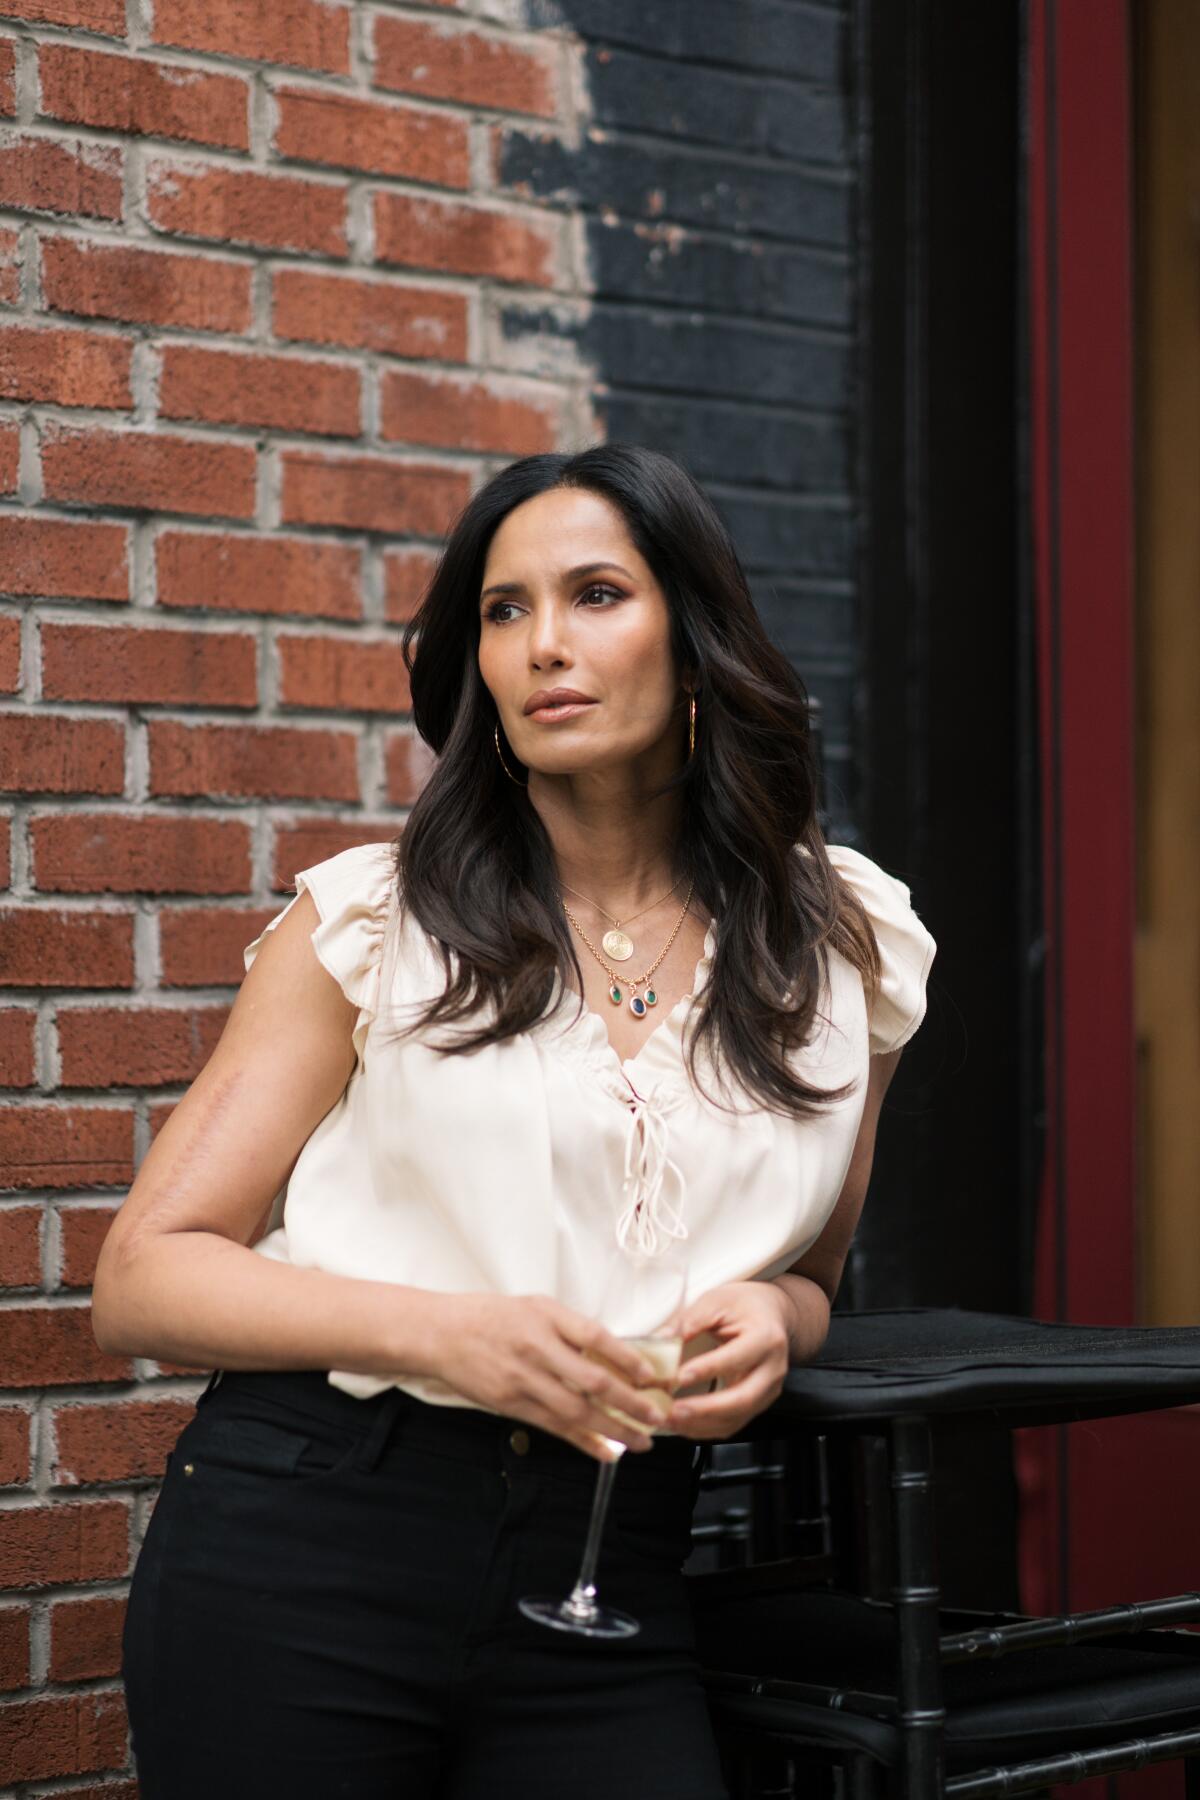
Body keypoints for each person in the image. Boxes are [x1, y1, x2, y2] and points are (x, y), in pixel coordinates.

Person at [93, 443, 937, 1799]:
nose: (544, 642)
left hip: (613, 1580)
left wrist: (783, 1324)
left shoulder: (844, 945)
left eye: (596, 594)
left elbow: (813, 1273)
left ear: (699, 636)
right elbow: (142, 1276)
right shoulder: (373, 922)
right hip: (312, 1551)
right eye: (503, 609)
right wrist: (449, 1334)